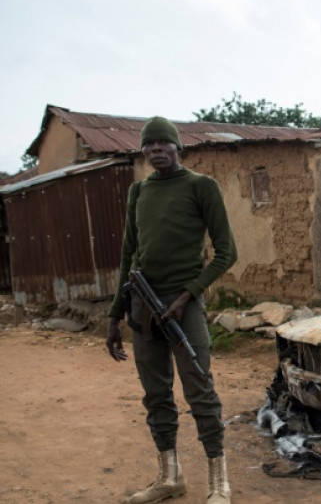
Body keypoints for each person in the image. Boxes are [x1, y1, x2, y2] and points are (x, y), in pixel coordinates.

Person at [106, 117, 237, 504]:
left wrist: (186, 297)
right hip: (142, 306)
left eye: (164, 142)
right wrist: (114, 316)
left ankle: (219, 483)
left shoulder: (201, 186)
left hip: (184, 307)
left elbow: (227, 253)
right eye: (150, 144)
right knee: (156, 396)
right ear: (143, 151)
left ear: (178, 147)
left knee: (200, 390)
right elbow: (128, 255)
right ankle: (170, 477)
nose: (156, 149)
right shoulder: (138, 192)